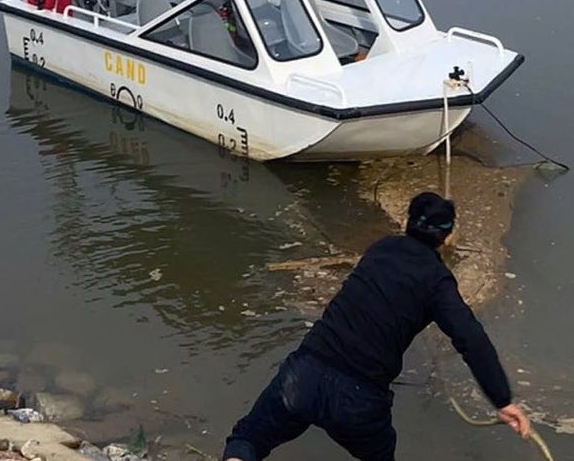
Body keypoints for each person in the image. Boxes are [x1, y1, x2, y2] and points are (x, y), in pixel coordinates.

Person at [222, 191, 531, 461]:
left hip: (303, 374)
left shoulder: (381, 249)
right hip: (359, 398)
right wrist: (502, 399)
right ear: (448, 236)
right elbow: (471, 339)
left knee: (248, 438)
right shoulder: (438, 282)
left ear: (407, 222)